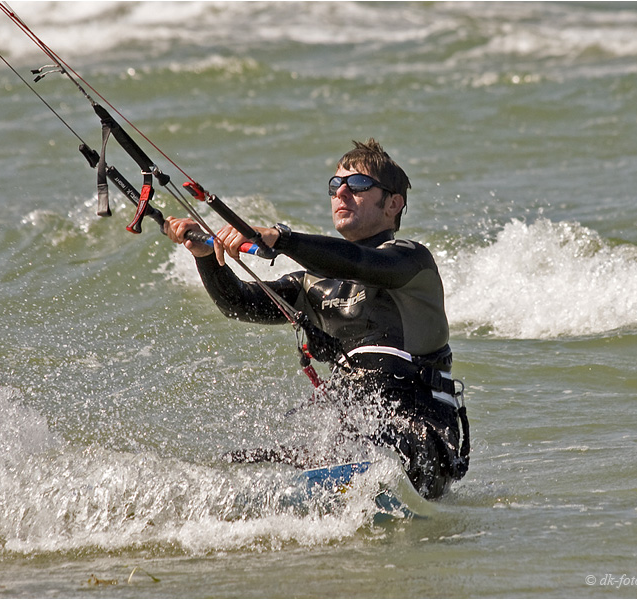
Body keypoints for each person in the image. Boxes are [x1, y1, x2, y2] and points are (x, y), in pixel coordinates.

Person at [164, 139, 469, 499]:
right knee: (243, 464)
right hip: (352, 431)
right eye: (334, 186)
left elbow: (361, 263)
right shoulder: (313, 285)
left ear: (393, 204)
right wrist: (203, 256)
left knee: (370, 445)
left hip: (421, 433)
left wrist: (282, 239)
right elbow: (238, 303)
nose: (341, 193)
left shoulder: (411, 263)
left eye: (357, 186)